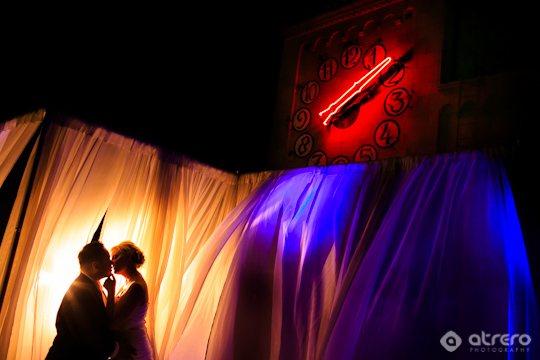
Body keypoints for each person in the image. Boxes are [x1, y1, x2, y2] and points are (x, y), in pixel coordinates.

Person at [46, 241, 121, 360]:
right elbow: (90, 335)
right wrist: (117, 350)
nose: (111, 262)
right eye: (107, 259)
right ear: (95, 266)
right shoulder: (80, 293)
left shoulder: (91, 286)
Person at [104, 241, 154, 360]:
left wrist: (111, 292)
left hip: (133, 350)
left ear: (128, 257)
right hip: (125, 347)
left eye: (115, 257)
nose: (111, 262)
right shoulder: (128, 283)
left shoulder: (136, 287)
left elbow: (113, 323)